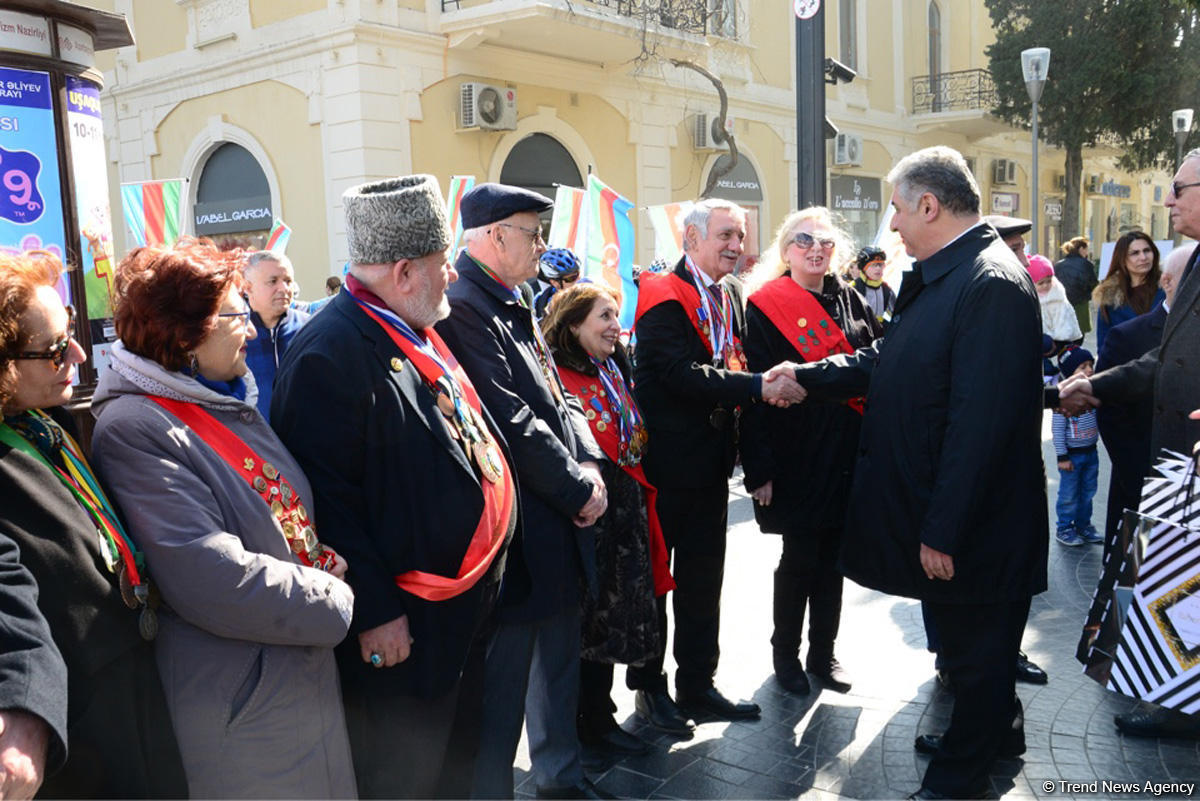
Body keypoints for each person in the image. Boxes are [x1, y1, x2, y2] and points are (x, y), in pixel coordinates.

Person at [792, 147, 1047, 799]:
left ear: (929, 206)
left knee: (977, 655)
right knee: (970, 650)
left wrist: (943, 529)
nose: (894, 225)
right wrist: (805, 377)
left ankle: (962, 771)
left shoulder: (988, 283)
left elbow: (979, 427)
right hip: (955, 517)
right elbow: (890, 357)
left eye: (898, 209)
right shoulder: (950, 274)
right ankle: (995, 731)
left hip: (974, 527)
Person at [271, 175, 518, 798]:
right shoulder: (328, 354)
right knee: (406, 779)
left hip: (456, 613)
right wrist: (376, 612)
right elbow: (325, 503)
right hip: (404, 626)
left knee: (453, 768)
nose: (454, 277)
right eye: (442, 265)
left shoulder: (406, 323)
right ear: (405, 272)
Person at [89, 239, 357, 798]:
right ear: (186, 331)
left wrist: (314, 561)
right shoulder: (136, 427)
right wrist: (330, 595)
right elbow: (209, 575)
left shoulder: (216, 401)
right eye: (237, 314)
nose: (253, 331)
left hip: (287, 671)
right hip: (242, 692)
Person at [434, 182, 610, 799]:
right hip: (517, 529)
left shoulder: (519, 297)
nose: (542, 244)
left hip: (557, 514)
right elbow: (509, 419)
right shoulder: (464, 306)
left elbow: (558, 399)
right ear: (491, 236)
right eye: (531, 232)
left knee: (558, 664)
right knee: (502, 692)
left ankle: (560, 781)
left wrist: (588, 463)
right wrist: (577, 489)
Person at [0, 252, 186, 799]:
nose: (78, 355)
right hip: (82, 741)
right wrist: (22, 717)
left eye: (73, 333)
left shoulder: (42, 420)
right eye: (56, 349)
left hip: (138, 695)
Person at [628, 197, 805, 729]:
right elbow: (680, 374)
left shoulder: (729, 296)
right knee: (658, 584)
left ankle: (698, 683)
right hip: (664, 469)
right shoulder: (661, 294)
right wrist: (757, 386)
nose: (737, 246)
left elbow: (730, 369)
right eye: (726, 235)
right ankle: (650, 689)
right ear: (691, 240)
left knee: (705, 583)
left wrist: (754, 462)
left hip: (710, 469)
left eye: (741, 235)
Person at [1059, 147, 1200, 740]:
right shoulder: (1191, 264)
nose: (1167, 200)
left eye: (1178, 188)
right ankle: (1176, 696)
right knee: (1177, 584)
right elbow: (1161, 358)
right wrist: (1093, 384)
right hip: (1176, 459)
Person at [740, 208, 883, 696]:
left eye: (824, 242)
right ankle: (786, 655)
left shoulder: (852, 300)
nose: (815, 249)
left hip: (848, 448)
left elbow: (873, 365)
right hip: (795, 451)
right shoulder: (763, 305)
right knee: (799, 556)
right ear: (786, 250)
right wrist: (758, 466)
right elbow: (754, 394)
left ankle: (824, 653)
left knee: (835, 558)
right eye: (803, 241)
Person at [542, 282, 673, 758]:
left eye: (617, 315)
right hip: (589, 520)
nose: (615, 326)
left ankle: (601, 715)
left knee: (614, 621)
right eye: (604, 316)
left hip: (624, 510)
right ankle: (588, 723)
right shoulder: (555, 373)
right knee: (589, 625)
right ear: (574, 324)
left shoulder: (613, 365)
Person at [1094, 245, 1188, 558]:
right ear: (1170, 283)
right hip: (1142, 483)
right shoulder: (1128, 335)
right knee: (1129, 586)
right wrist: (1143, 477)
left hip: (1190, 490)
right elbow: (1110, 413)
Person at [242, 250, 310, 417]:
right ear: (248, 288)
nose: (284, 289)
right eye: (273, 281)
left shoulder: (310, 329)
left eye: (288, 281)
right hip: (254, 440)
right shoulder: (235, 334)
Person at [1051, 347, 1101, 547]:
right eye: (1083, 367)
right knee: (1069, 494)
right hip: (1072, 457)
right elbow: (1058, 431)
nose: (1089, 370)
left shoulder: (1092, 395)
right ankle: (1064, 527)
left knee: (1088, 492)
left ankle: (1083, 525)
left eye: (1091, 365)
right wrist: (1062, 457)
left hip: (1091, 453)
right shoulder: (1064, 402)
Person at [1092, 230, 1164, 351]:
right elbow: (1104, 344)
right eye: (1135, 253)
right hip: (1126, 366)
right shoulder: (1109, 296)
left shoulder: (1169, 288)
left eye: (1147, 250)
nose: (1143, 257)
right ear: (1122, 259)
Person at [1030, 254, 1083, 353]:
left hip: (1062, 337)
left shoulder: (1057, 295)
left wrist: (1062, 337)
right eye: (1041, 283)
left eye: (1049, 281)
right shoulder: (1031, 298)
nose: (1046, 285)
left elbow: (1066, 318)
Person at [1054, 236, 1097, 334]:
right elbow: (1093, 283)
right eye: (1086, 250)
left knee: (1065, 333)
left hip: (1063, 304)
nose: (1087, 253)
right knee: (1079, 333)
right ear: (1081, 249)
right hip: (1081, 304)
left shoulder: (1058, 265)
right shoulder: (1086, 264)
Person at [851, 245, 895, 323]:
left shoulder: (886, 289)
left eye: (881, 264)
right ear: (863, 267)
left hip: (880, 330)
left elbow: (896, 314)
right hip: (860, 330)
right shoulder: (853, 288)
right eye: (873, 265)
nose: (878, 268)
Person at [534, 247, 582, 320]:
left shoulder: (593, 287)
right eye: (572, 278)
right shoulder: (541, 303)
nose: (578, 280)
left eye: (578, 273)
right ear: (555, 283)